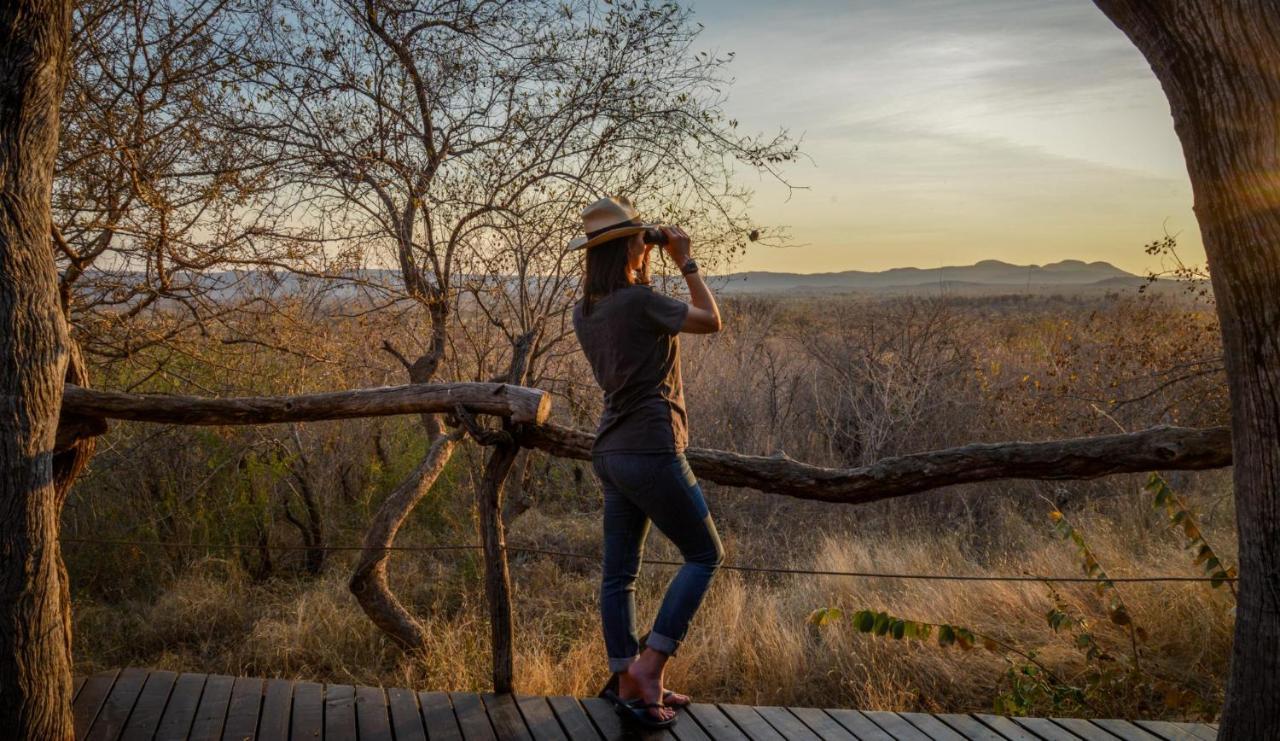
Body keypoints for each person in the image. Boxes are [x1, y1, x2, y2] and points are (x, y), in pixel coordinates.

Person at [569, 196, 725, 729]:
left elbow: (636, 318)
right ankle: (652, 666)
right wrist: (686, 261)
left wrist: (644, 261)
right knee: (705, 554)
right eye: (642, 239)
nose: (648, 243)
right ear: (629, 248)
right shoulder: (640, 303)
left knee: (619, 574)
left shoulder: (586, 309)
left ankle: (625, 677)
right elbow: (711, 320)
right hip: (652, 447)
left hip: (610, 451)